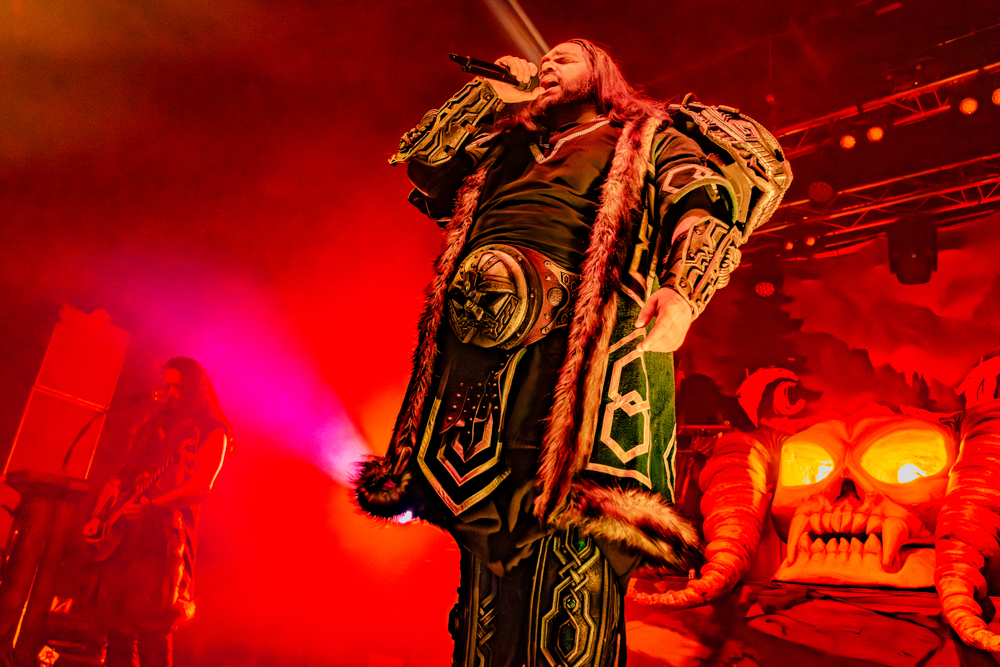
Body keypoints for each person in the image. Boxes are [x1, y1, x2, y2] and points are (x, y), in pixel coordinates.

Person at [355, 39, 791, 665]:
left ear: (602, 73)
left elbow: (702, 200)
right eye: (546, 60)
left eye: (566, 58)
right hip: (478, 359)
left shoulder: (643, 135)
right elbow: (426, 165)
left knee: (571, 533)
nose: (548, 65)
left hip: (584, 353)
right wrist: (485, 95)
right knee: (483, 543)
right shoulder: (504, 148)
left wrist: (684, 289)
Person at [84, 357, 232, 667]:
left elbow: (200, 488)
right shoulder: (153, 425)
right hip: (125, 535)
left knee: (154, 628)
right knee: (118, 629)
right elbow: (122, 476)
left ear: (194, 391)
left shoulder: (211, 431)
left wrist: (154, 507)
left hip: (167, 538)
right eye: (166, 386)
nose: (169, 393)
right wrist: (99, 516)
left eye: (178, 388)